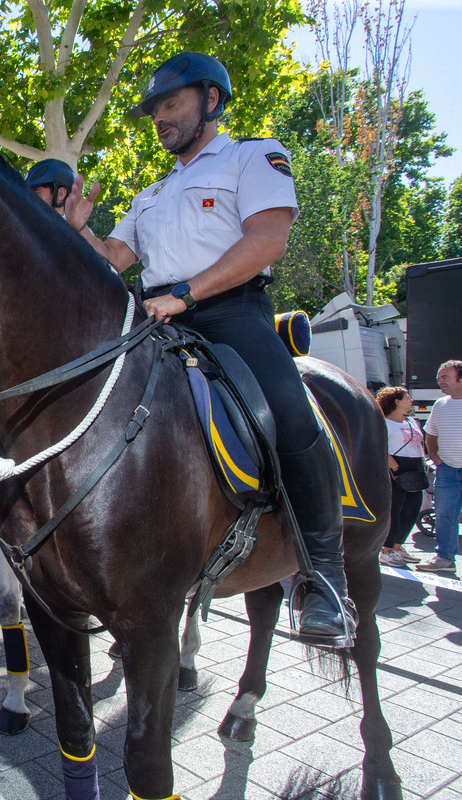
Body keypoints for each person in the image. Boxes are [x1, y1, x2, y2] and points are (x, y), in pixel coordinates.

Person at [67, 51, 354, 645]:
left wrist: (187, 294)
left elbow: (269, 238)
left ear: (212, 101)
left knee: (294, 417)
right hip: (155, 323)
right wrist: (78, 229)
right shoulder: (150, 194)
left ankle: (325, 579)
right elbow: (113, 263)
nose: (160, 119)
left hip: (231, 314)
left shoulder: (253, 155)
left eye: (171, 104)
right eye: (155, 111)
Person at [418, 360, 462, 573]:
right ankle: (445, 559)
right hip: (448, 470)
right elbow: (431, 434)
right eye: (439, 378)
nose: (440, 382)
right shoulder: (440, 405)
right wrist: (434, 456)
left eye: (445, 377)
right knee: (444, 514)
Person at [376, 387, 426, 567]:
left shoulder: (412, 421)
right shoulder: (384, 422)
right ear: (396, 401)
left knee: (412, 508)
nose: (410, 400)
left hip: (415, 468)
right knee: (395, 509)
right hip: (396, 467)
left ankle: (398, 547)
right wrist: (395, 467)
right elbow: (379, 446)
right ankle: (387, 550)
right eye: (407, 398)